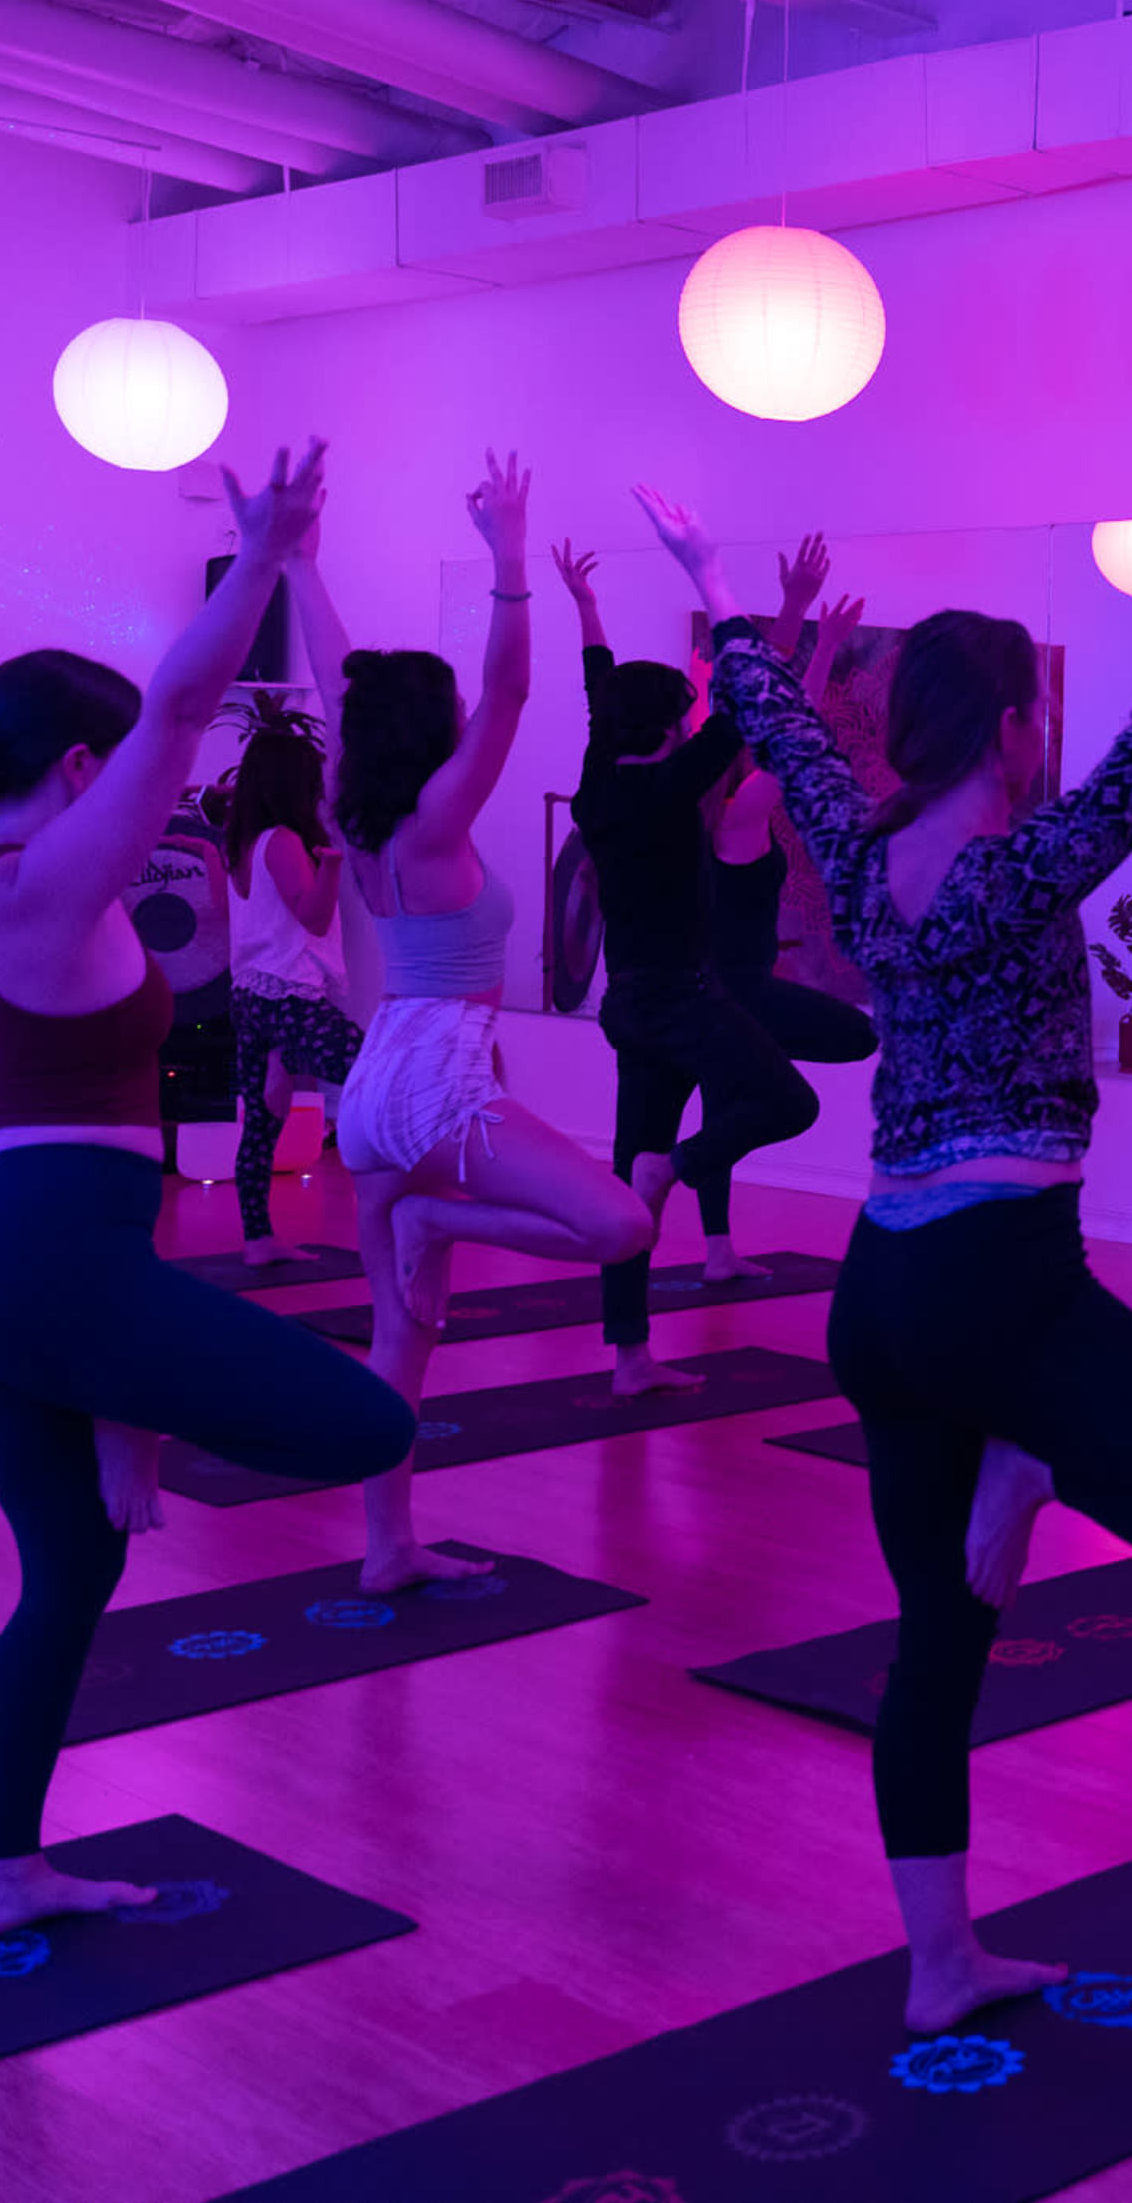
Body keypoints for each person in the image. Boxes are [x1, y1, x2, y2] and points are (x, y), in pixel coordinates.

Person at [629, 408, 1132, 2038]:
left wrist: (708, 578)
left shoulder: (860, 840)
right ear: (1019, 727)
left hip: (882, 1296)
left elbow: (767, 708)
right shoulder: (1013, 870)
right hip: (999, 1289)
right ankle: (1035, 1447)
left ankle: (940, 1966)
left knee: (938, 1643)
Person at [0, 453, 414, 1936]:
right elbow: (176, 713)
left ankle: (6, 1873)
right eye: (112, 782)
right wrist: (258, 555)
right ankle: (136, 1417)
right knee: (375, 1423)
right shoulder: (54, 886)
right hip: (55, 1264)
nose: (145, 809)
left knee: (69, 1573)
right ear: (72, 774)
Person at [294, 454, 658, 1588]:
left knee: (398, 1340)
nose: (465, 715)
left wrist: (300, 562)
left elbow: (332, 681)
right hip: (442, 1078)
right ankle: (443, 1226)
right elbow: (506, 694)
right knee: (622, 1229)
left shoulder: (361, 823)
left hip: (376, 1081)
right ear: (429, 733)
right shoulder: (438, 822)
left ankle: (387, 1551)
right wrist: (509, 561)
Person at [547, 535, 826, 1362]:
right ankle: (679, 1167)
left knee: (630, 1177)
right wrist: (795, 609)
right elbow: (751, 695)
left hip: (628, 1004)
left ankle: (630, 1360)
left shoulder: (600, 785)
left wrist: (586, 606)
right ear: (673, 725)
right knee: (789, 1104)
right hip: (680, 997)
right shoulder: (673, 788)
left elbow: (601, 693)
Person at [690, 587, 882, 1278]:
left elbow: (772, 725)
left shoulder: (703, 812)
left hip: (714, 991)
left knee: (723, 1110)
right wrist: (823, 646)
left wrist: (807, 637)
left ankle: (717, 1254)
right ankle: (698, 1200)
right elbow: (790, 735)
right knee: (859, 1036)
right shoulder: (740, 814)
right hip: (744, 993)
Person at [213, 702, 358, 1265]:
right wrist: (333, 868)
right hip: (289, 998)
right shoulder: (283, 841)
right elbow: (314, 917)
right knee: (376, 1074)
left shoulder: (241, 841)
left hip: (250, 995)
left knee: (262, 1121)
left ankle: (258, 1242)